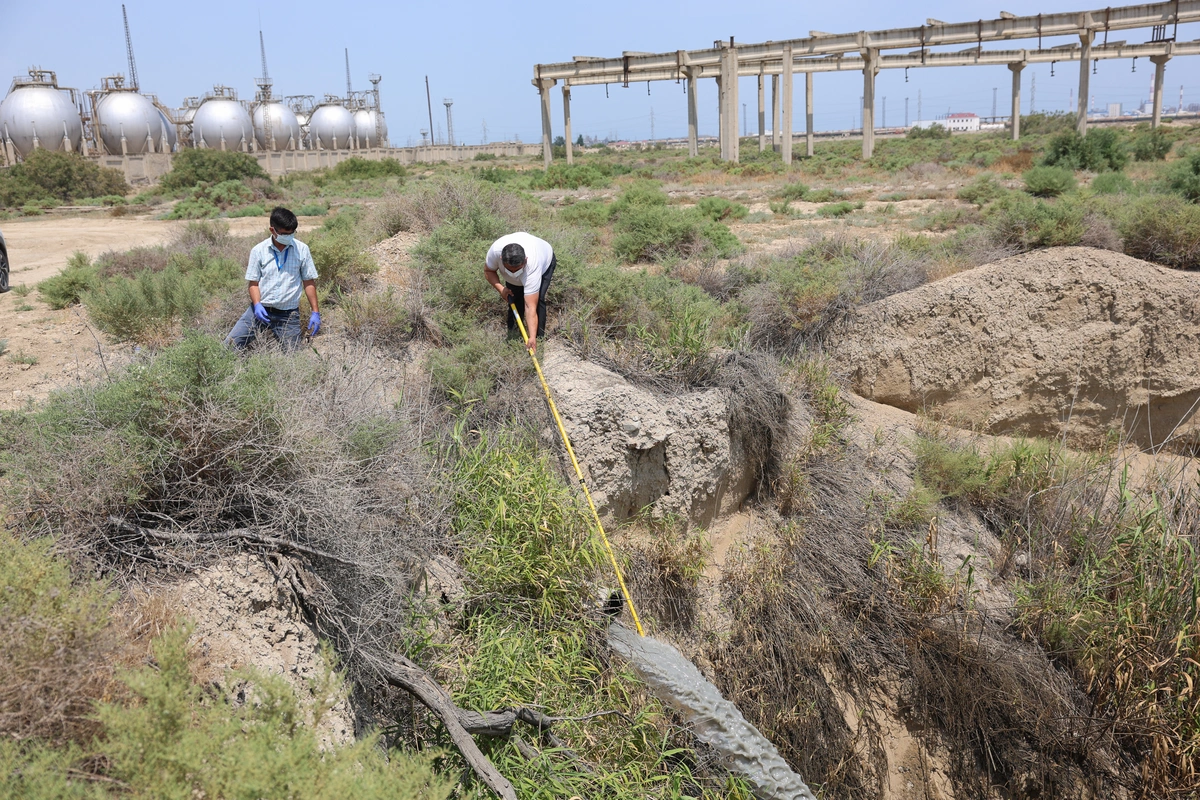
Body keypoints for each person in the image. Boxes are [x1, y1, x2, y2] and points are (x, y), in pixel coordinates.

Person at [225, 206, 320, 351]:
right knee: (228, 347)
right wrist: (257, 304)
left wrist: (315, 312)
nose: (289, 237)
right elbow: (253, 283)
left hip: (288, 315)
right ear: (272, 230)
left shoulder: (302, 250)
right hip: (260, 311)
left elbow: (308, 281)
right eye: (284, 234)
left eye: (292, 233)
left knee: (294, 358)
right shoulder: (258, 251)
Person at [484, 232, 556, 355]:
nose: (513, 273)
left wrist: (531, 336)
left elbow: (530, 306)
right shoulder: (495, 252)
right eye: (509, 269)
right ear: (501, 259)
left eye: (517, 270)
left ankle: (537, 340)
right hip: (519, 263)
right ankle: (514, 337)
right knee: (513, 298)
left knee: (537, 302)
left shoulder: (533, 266)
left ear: (525, 260)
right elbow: (488, 271)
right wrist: (501, 289)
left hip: (545, 262)